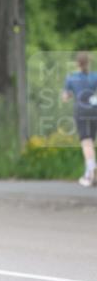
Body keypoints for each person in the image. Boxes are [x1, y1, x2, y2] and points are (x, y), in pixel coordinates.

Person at [63, 51, 97, 187]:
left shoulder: (71, 78)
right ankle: (89, 171)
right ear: (88, 62)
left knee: (86, 142)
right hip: (94, 109)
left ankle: (90, 172)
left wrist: (70, 94)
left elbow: (65, 98)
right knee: (91, 142)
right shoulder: (94, 76)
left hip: (81, 110)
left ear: (77, 63)